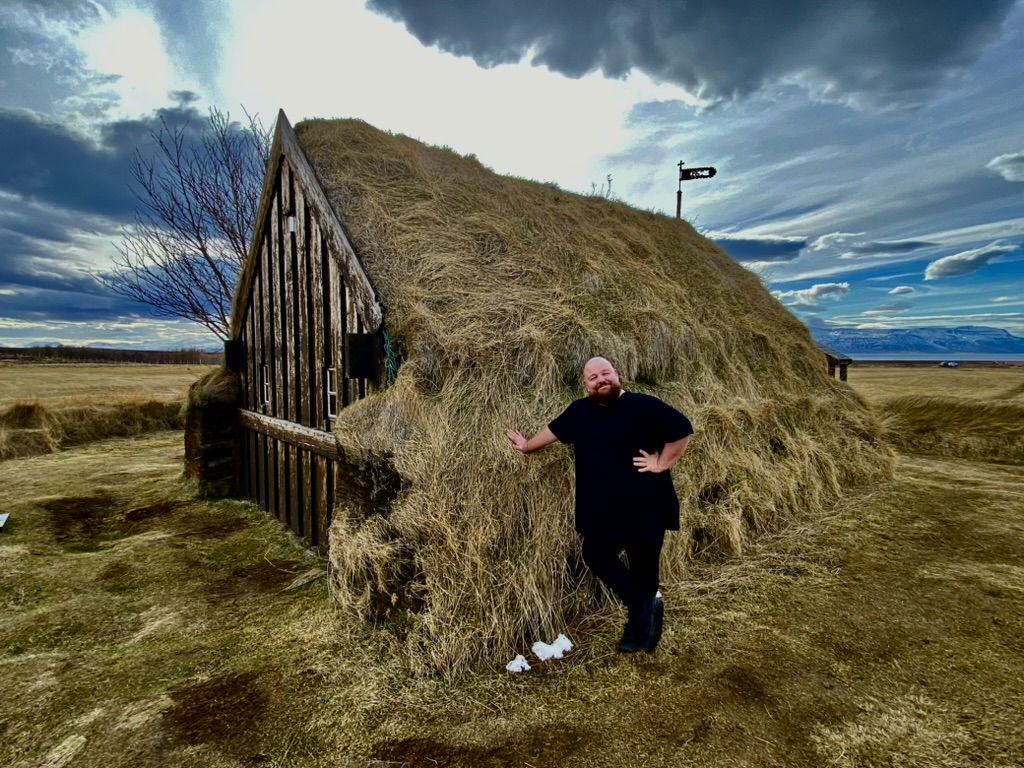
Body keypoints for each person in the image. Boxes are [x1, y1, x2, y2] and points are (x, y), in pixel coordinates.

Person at [506, 356, 693, 653]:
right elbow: (554, 431)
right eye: (593, 377)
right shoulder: (580, 412)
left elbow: (682, 429)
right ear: (586, 384)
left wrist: (661, 463)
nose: (600, 379)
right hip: (604, 509)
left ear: (617, 375)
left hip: (647, 505)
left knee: (645, 572)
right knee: (595, 553)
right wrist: (527, 446)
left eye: (605, 373)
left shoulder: (644, 406)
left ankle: (639, 632)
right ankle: (643, 606)